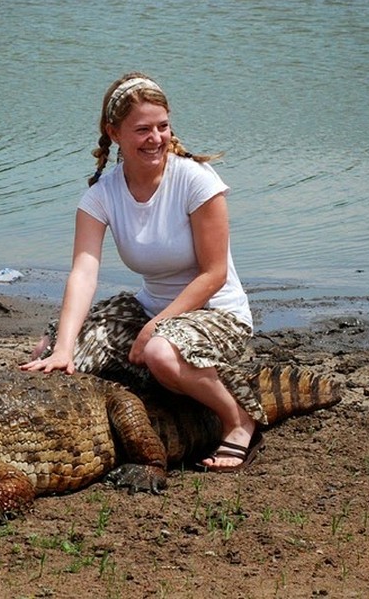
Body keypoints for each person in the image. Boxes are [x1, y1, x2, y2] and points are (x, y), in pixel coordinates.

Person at [20, 72, 266, 472]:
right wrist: (64, 347)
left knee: (159, 352)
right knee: (48, 352)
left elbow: (214, 274)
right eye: (142, 129)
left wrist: (155, 328)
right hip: (151, 307)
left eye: (163, 126)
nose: (156, 138)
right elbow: (84, 272)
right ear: (113, 133)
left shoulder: (196, 181)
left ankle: (239, 420)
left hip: (216, 311)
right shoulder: (102, 194)